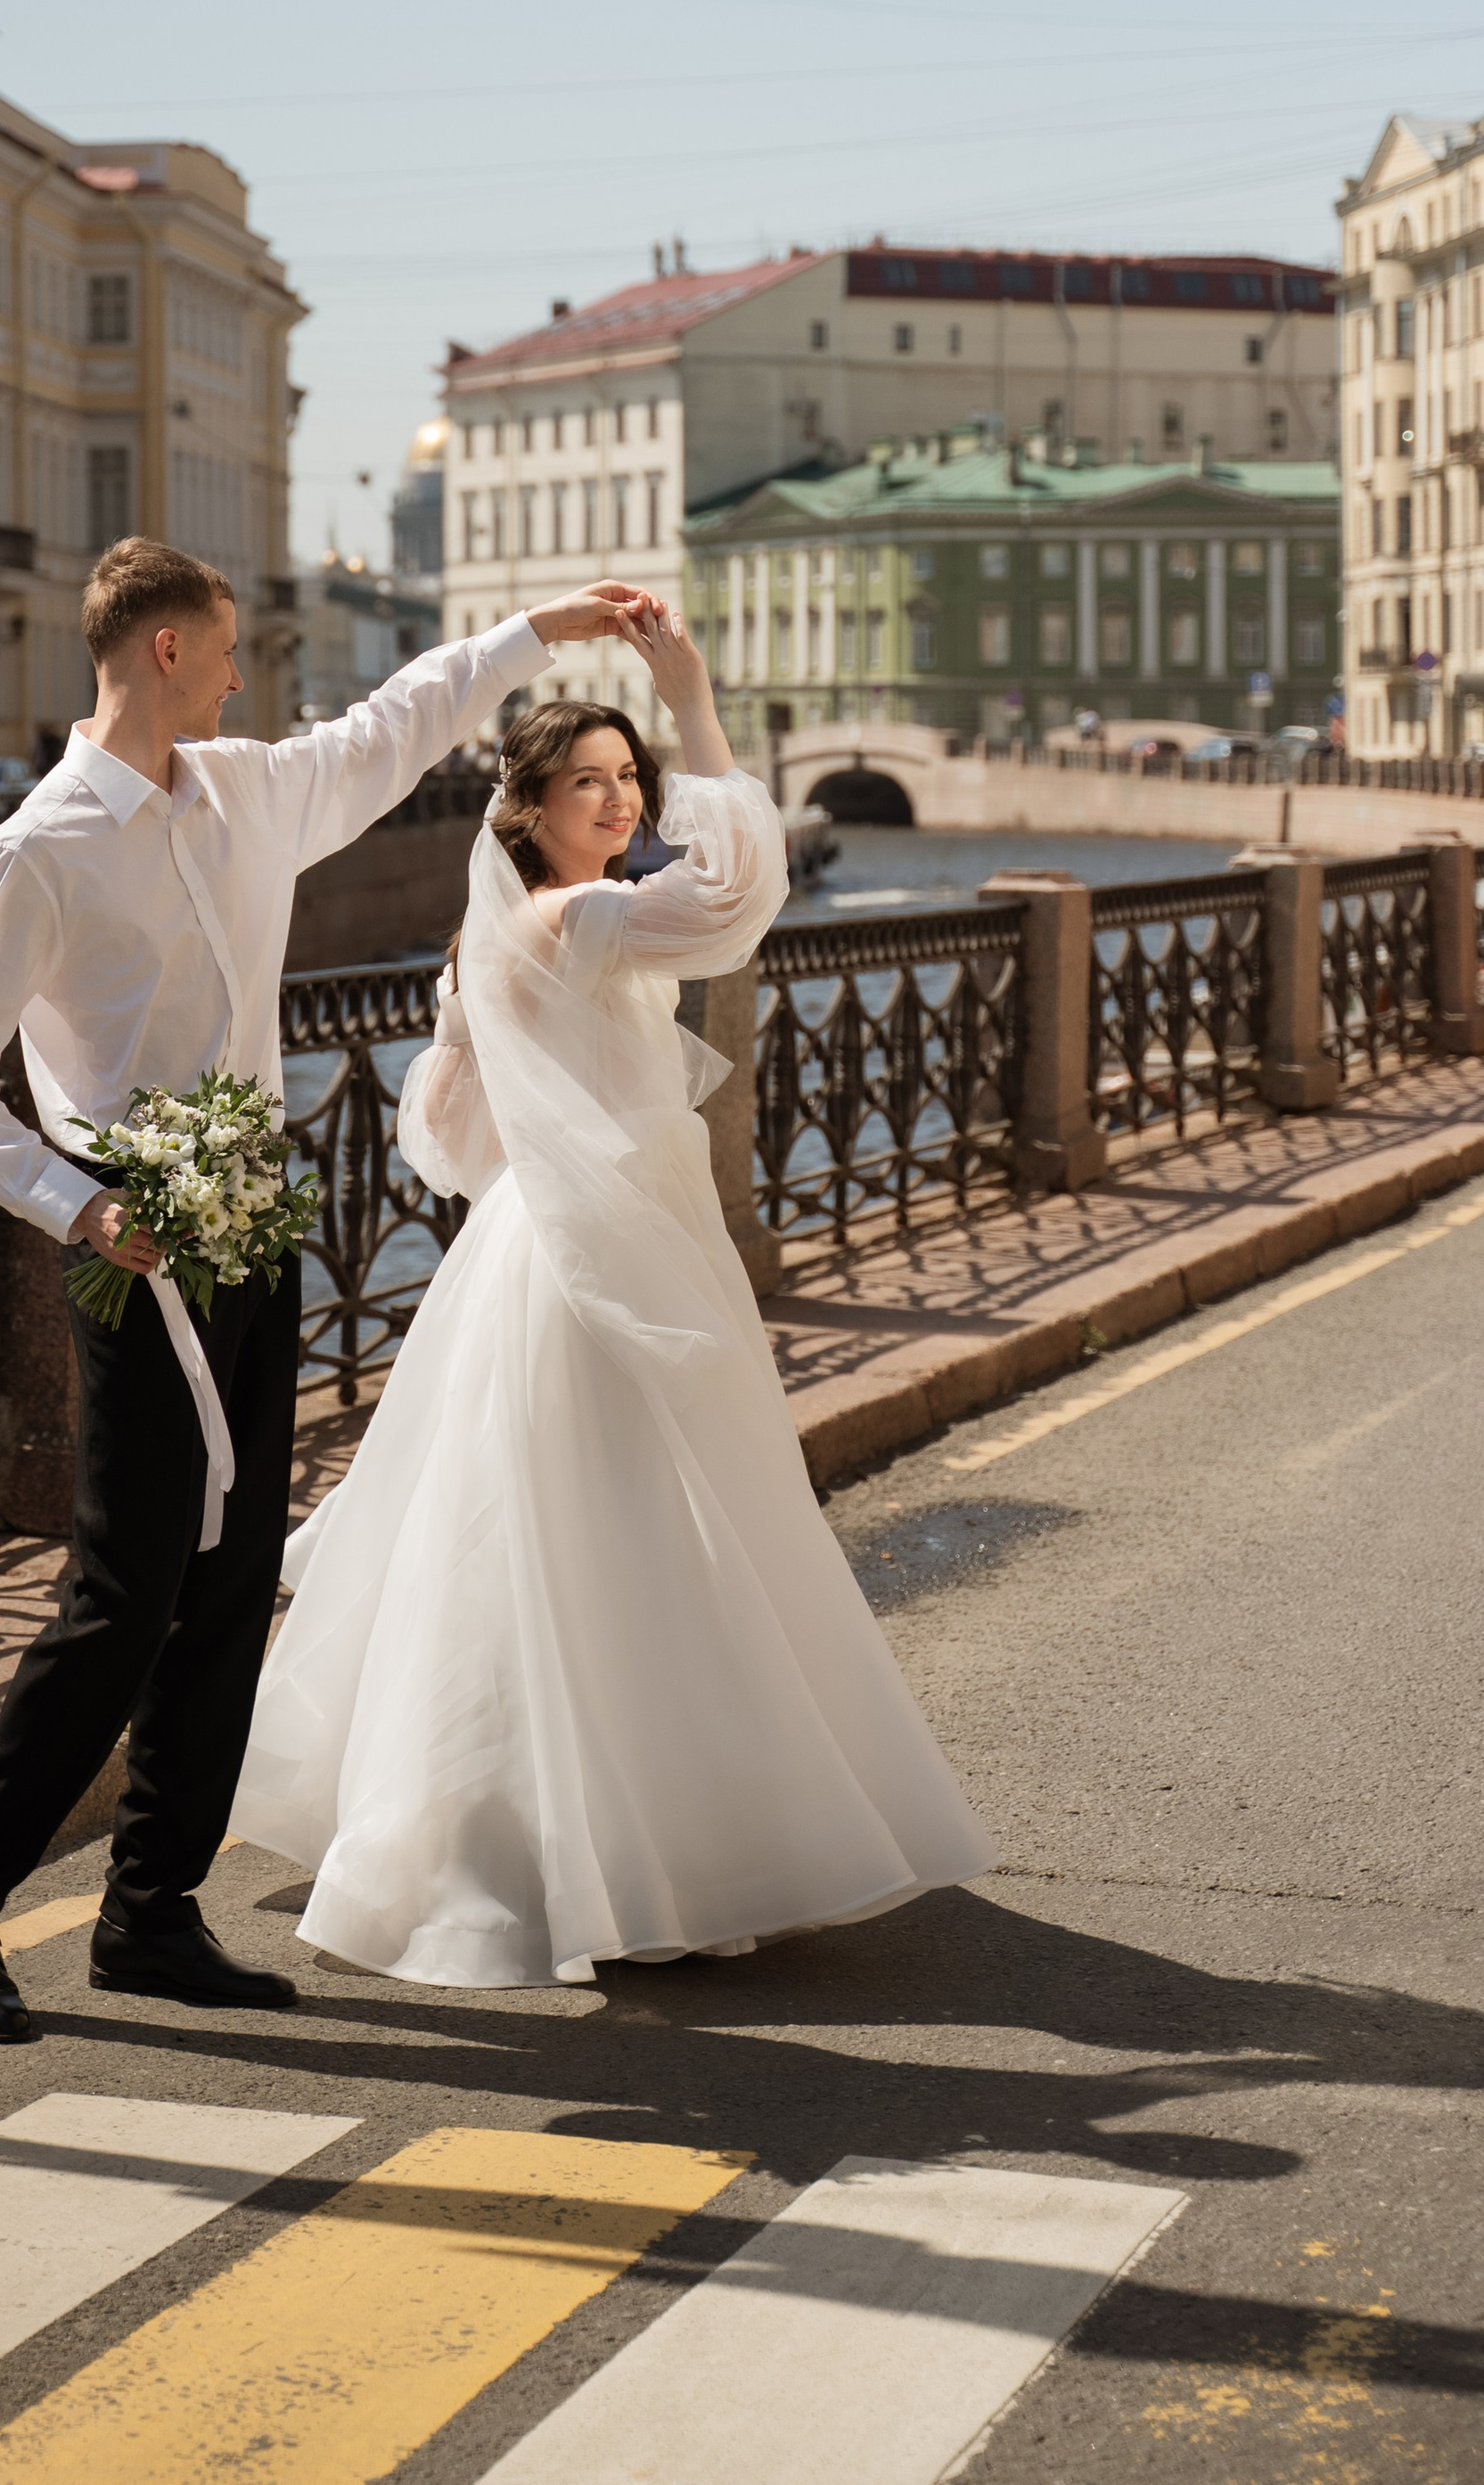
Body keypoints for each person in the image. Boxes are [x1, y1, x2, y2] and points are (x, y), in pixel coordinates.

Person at [0, 537, 644, 2041]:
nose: (247, 674)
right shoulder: (38, 850)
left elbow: (394, 727)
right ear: (165, 650)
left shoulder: (244, 792)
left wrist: (534, 632)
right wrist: (78, 1201)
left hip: (252, 1234)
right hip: (133, 1256)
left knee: (234, 1579)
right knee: (125, 1590)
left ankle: (148, 1914)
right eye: (229, 649)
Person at [232, 598, 996, 1987]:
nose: (620, 795)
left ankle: (530, 1841)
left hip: (532, 1238)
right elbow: (732, 902)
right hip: (593, 1247)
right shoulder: (583, 916)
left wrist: (561, 1130)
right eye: (588, 780)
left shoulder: (488, 943)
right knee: (634, 1526)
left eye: (630, 776)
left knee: (538, 1537)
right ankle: (650, 1849)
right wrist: (695, 701)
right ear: (525, 811)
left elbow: (451, 1138)